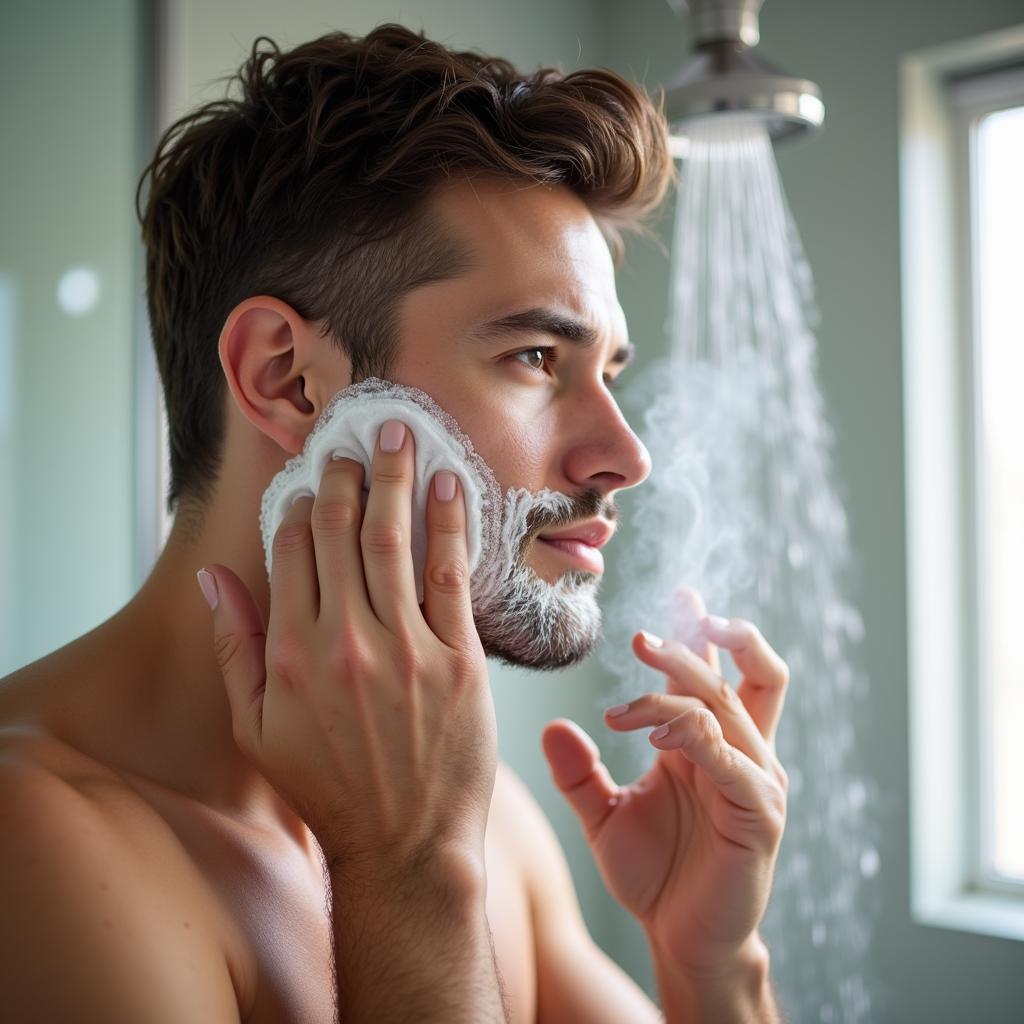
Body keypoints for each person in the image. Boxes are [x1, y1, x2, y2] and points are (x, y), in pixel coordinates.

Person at [0, 24, 791, 1023]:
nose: (624, 456)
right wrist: (405, 875)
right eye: (537, 358)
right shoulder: (31, 847)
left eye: (609, 372)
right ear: (286, 378)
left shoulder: (482, 817)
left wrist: (711, 961)